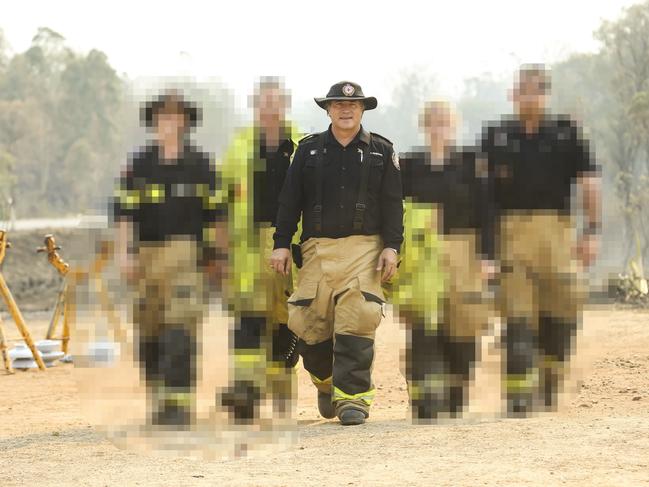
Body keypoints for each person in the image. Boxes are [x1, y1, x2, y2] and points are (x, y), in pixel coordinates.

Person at [270, 81, 403, 426]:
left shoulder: (380, 151)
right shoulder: (309, 151)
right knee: (309, 324)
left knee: (358, 315)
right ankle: (326, 382)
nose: (346, 110)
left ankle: (353, 399)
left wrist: (392, 246)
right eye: (339, 105)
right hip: (317, 249)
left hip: (365, 247)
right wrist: (282, 242)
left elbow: (392, 204)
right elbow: (289, 200)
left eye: (354, 105)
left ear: (362, 110)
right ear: (328, 110)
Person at [481, 64, 601, 416]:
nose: (529, 96)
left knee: (561, 313)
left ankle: (550, 382)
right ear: (513, 94)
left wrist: (591, 231)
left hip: (558, 233)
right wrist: (484, 246)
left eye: (536, 90)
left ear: (546, 95)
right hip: (510, 233)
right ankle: (518, 397)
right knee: (517, 316)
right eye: (523, 90)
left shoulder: (567, 132)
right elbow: (482, 193)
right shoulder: (496, 135)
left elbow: (590, 182)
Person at [113, 90, 227, 428]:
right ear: (154, 122)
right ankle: (160, 400)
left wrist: (219, 258)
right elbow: (123, 215)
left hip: (187, 257)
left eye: (177, 117)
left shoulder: (202, 165)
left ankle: (179, 405)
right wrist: (125, 253)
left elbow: (217, 216)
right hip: (146, 256)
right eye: (163, 117)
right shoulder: (138, 165)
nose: (170, 123)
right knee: (149, 334)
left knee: (180, 329)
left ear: (186, 122)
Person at [396, 100, 495, 421]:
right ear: (424, 126)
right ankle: (425, 399)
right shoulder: (409, 165)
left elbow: (487, 212)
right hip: (421, 254)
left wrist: (488, 256)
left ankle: (456, 392)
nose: (439, 127)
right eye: (433, 121)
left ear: (454, 125)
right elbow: (394, 212)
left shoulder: (471, 163)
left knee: (463, 326)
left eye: (445, 121)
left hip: (464, 251)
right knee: (423, 326)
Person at [219, 77, 302, 423]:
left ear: (285, 105)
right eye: (263, 102)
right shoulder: (238, 148)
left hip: (291, 245)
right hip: (247, 247)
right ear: (255, 105)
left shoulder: (303, 147)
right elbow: (221, 203)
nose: (269, 108)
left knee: (286, 324)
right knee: (248, 323)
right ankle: (246, 398)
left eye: (275, 102)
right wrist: (219, 250)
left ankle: (283, 400)